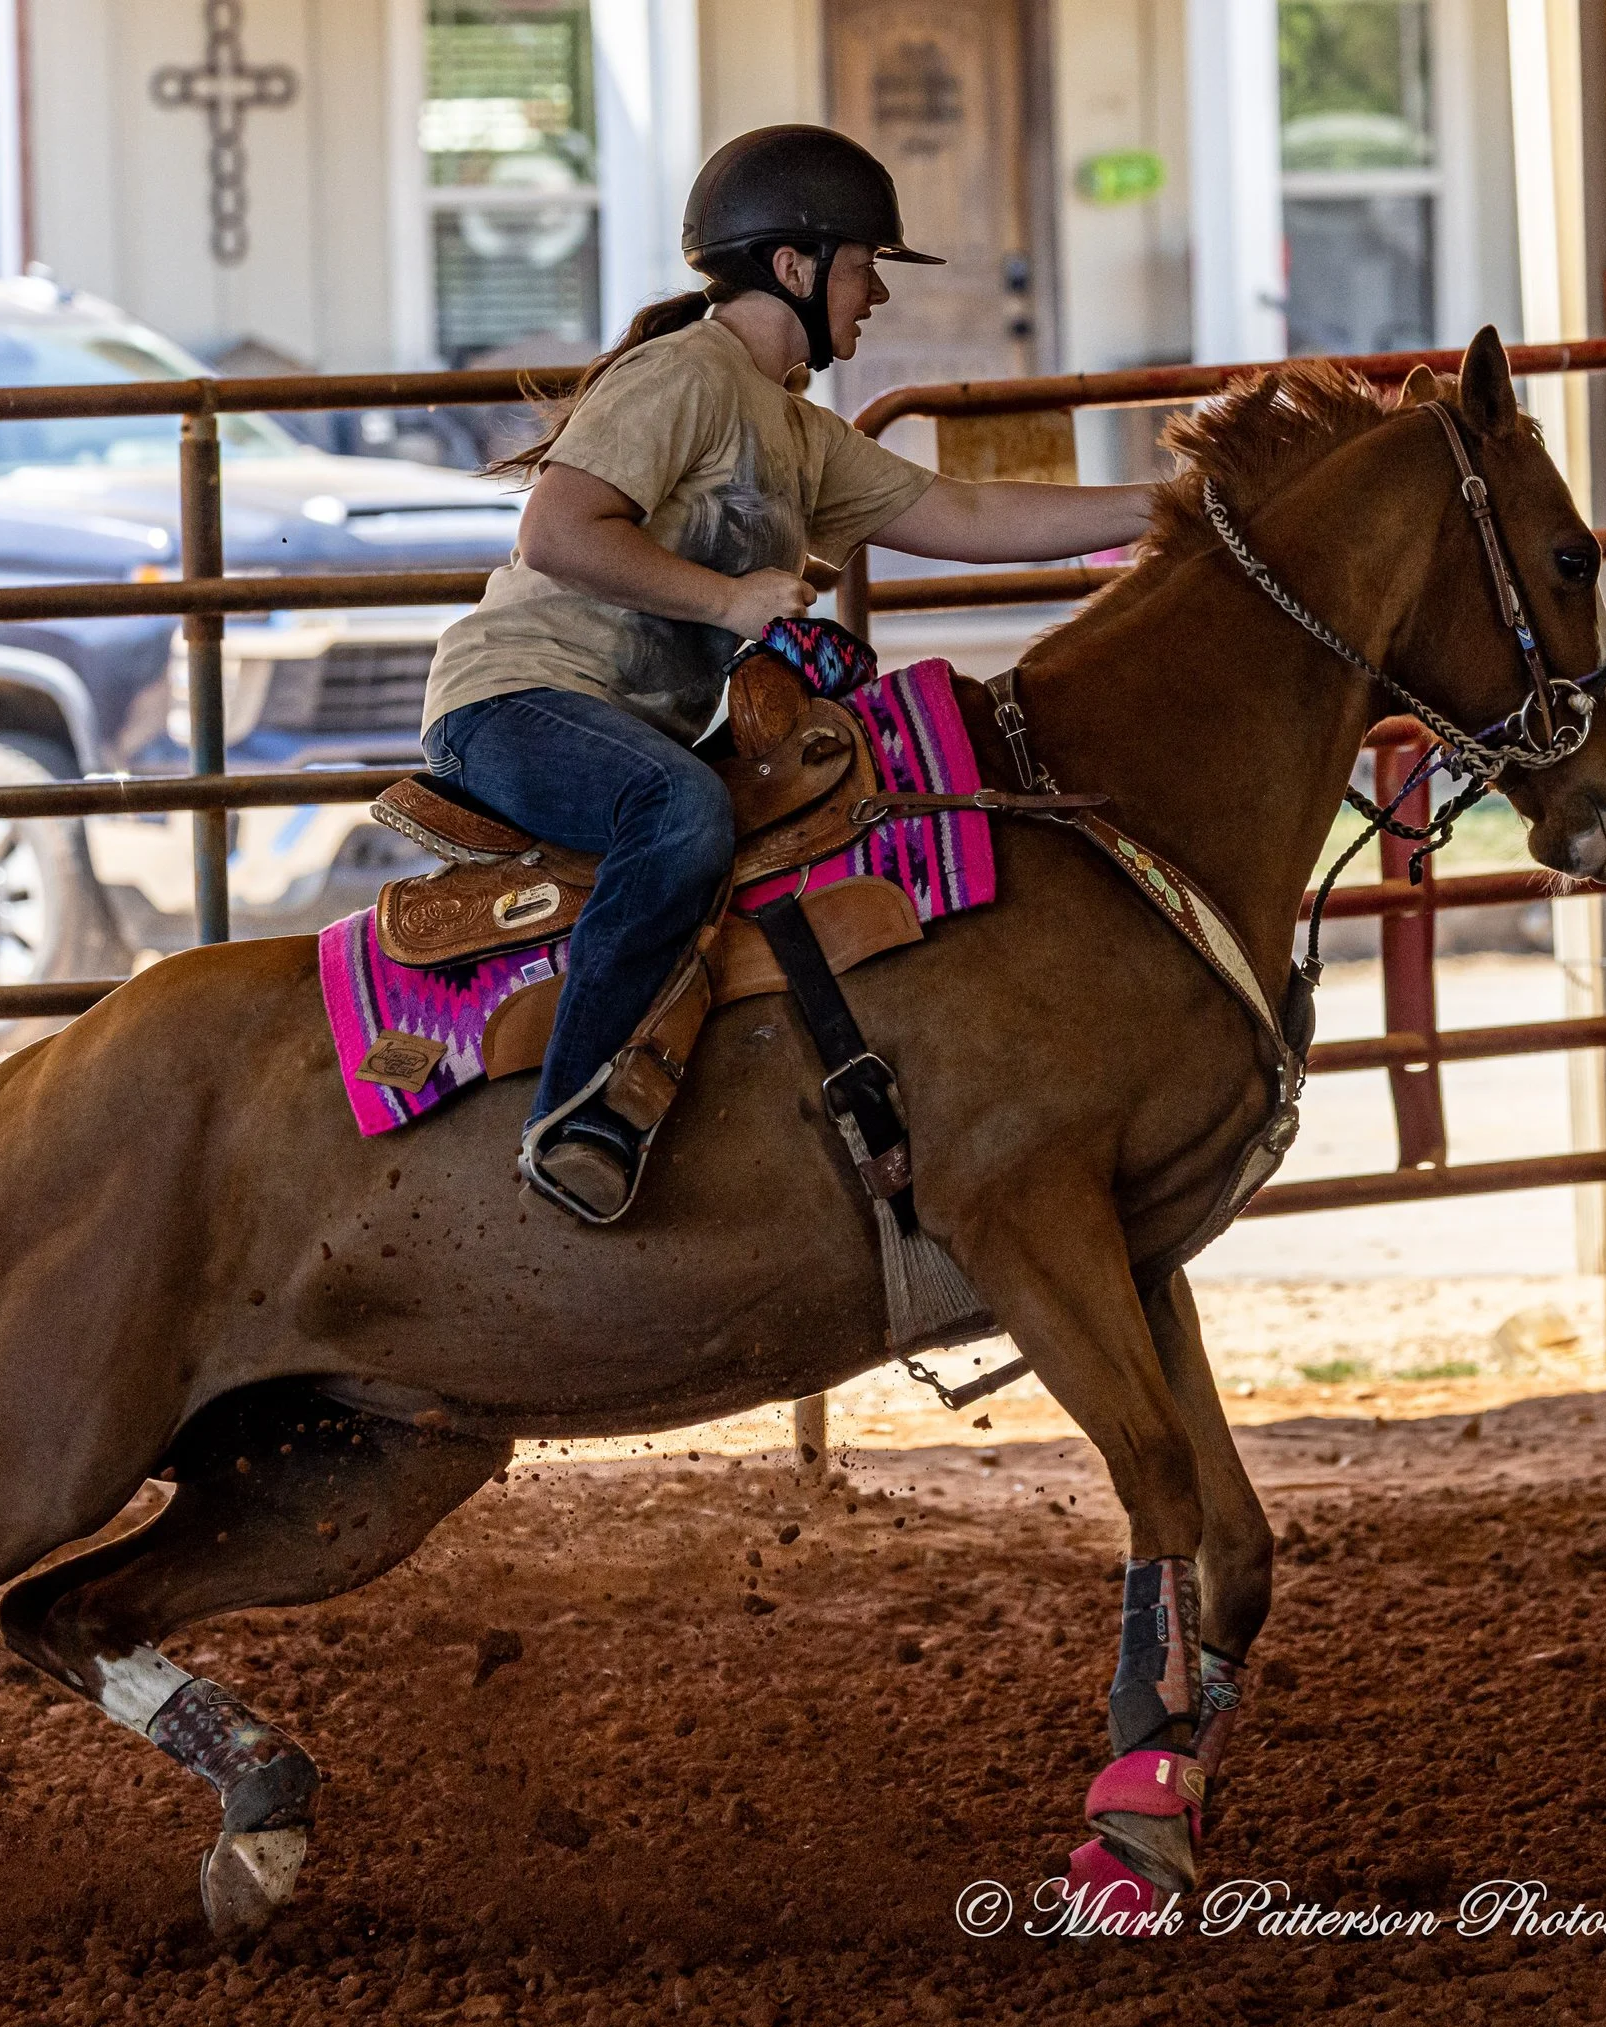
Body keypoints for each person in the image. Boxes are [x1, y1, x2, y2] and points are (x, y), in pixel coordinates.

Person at [422, 124, 1159, 1222]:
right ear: (795, 267)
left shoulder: (796, 432)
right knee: (674, 812)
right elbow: (557, 532)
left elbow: (961, 510)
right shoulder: (680, 376)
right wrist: (727, 599)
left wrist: (1174, 507)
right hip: (517, 698)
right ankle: (573, 1116)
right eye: (865, 267)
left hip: (613, 714)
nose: (877, 296)